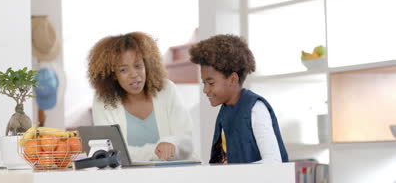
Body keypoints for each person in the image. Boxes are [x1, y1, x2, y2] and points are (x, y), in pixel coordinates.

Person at [88, 32, 194, 162]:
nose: (134, 74)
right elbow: (111, 152)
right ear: (113, 74)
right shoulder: (103, 101)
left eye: (138, 66)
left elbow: (186, 140)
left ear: (147, 65)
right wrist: (158, 150)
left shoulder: (167, 90)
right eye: (123, 70)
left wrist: (172, 144)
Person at [189, 34, 288, 164]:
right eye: (204, 83)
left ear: (233, 79)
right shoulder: (225, 111)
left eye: (211, 83)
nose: (205, 90)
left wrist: (236, 173)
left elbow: (273, 161)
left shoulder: (256, 109)